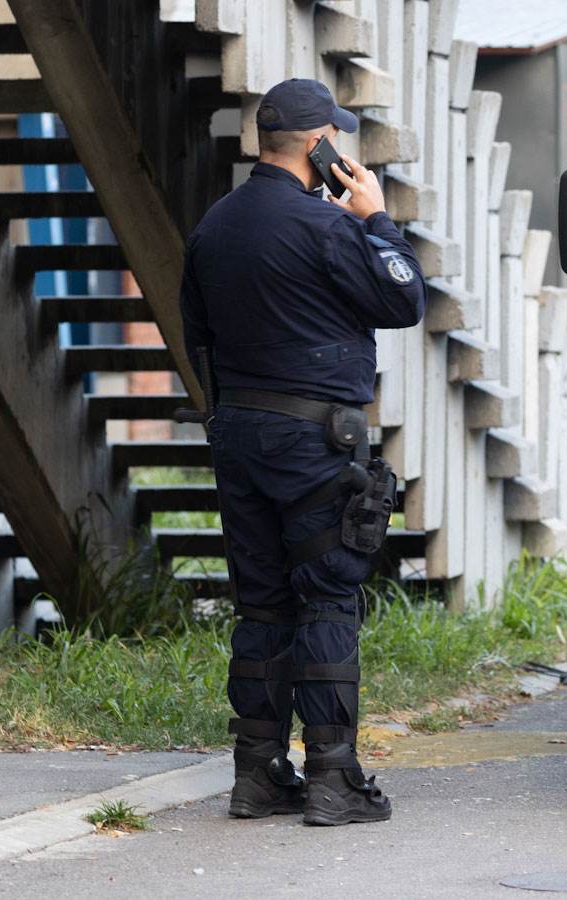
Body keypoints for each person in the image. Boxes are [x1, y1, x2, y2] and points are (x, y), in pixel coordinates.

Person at [178, 78, 426, 826]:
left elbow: (197, 335)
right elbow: (404, 299)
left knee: (261, 604)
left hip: (240, 434)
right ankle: (332, 777)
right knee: (326, 594)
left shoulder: (214, 226)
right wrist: (378, 220)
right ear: (319, 145)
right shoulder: (327, 228)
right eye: (337, 140)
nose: (343, 152)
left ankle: (256, 775)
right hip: (314, 441)